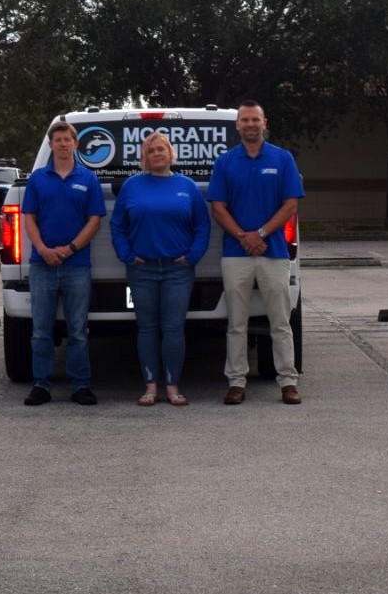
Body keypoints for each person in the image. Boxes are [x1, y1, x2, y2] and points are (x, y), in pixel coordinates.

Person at [208, 100, 305, 405]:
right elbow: (218, 208)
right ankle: (236, 382)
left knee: (280, 322)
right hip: (236, 254)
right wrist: (243, 236)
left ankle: (288, 382)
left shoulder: (282, 158)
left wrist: (260, 234)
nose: (250, 124)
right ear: (237, 125)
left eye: (255, 119)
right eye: (245, 120)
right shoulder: (225, 162)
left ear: (265, 123)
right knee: (237, 324)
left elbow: (290, 205)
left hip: (273, 252)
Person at [110, 131, 209, 407]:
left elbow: (202, 226)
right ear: (144, 156)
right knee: (147, 328)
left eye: (161, 149)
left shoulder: (187, 186)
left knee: (174, 328)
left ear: (170, 153)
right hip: (142, 271)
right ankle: (150, 387)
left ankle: (173, 387)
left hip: (178, 271)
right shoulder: (132, 186)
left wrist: (193, 256)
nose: (156, 154)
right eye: (151, 150)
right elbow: (117, 226)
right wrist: (127, 255)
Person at [22, 120, 106, 406]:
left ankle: (80, 385)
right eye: (57, 140)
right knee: (41, 332)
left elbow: (94, 221)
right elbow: (29, 219)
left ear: (75, 144)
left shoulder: (88, 179)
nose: (62, 144)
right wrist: (43, 249)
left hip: (77, 265)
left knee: (78, 332)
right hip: (42, 265)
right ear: (51, 145)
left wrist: (70, 249)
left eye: (67, 139)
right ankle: (41, 385)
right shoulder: (37, 179)